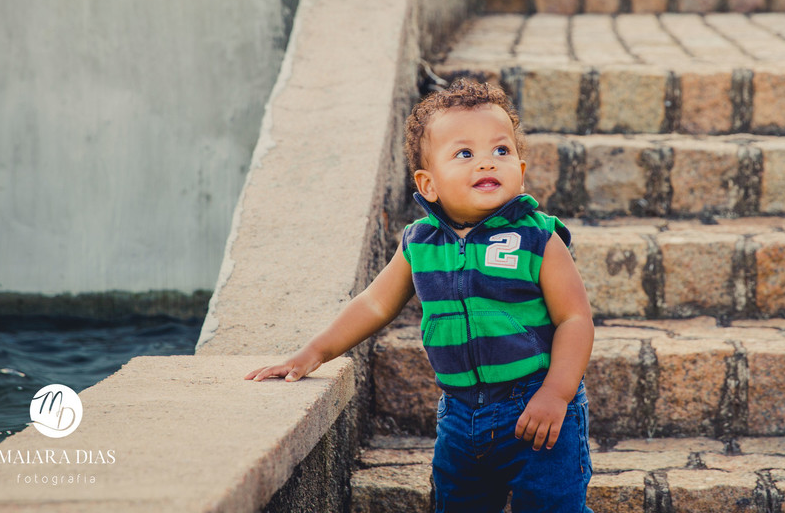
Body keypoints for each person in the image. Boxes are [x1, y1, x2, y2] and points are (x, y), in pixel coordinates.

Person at [246, 78, 595, 512]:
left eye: (501, 151)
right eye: (465, 153)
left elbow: (575, 319)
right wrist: (312, 352)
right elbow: (375, 303)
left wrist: (557, 393)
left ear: (520, 172)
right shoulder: (420, 242)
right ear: (428, 184)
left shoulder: (538, 237)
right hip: (460, 416)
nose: (487, 162)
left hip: (536, 411)